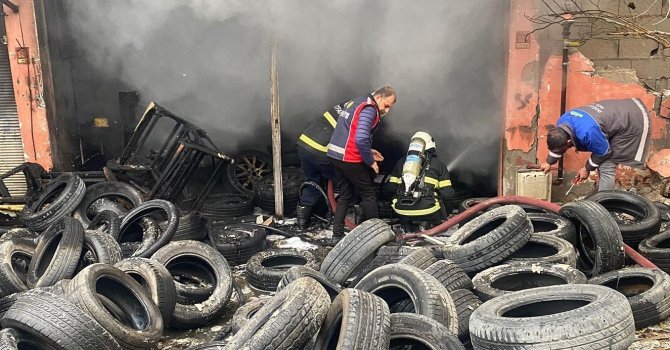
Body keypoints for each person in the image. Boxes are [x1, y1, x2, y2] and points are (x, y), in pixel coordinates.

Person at [326, 86, 397, 238]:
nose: (387, 110)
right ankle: (377, 236)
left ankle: (337, 235)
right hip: (348, 157)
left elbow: (350, 132)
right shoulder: (370, 109)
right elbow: (361, 138)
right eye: (386, 105)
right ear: (378, 97)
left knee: (345, 194)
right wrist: (370, 161)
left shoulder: (357, 101)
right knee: (368, 193)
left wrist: (369, 151)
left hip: (335, 155)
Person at [540, 98, 650, 191]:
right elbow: (557, 147)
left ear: (569, 142)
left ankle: (603, 206)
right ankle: (602, 193)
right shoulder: (562, 122)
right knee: (600, 163)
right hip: (622, 111)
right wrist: (549, 162)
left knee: (606, 165)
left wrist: (587, 168)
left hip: (632, 120)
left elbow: (604, 152)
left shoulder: (588, 132)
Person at [295, 98, 351, 229]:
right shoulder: (359, 110)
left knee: (314, 180)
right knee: (349, 180)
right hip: (321, 149)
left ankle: (302, 221)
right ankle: (351, 215)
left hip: (304, 145)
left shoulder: (344, 106)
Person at [383, 131, 454, 231]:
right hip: (429, 211)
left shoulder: (400, 163)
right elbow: (448, 194)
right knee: (441, 204)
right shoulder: (439, 165)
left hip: (402, 211)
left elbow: (389, 189)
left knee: (403, 210)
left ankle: (406, 226)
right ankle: (426, 224)